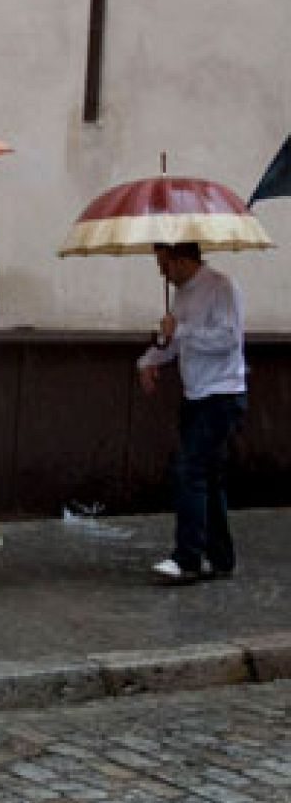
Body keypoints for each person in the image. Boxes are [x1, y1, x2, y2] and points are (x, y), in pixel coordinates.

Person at [136, 241, 247, 584]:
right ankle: (221, 556)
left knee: (189, 472)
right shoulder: (181, 294)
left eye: (164, 263)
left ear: (183, 260)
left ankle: (188, 558)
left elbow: (228, 338)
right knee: (208, 479)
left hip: (221, 394)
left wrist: (180, 330)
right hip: (195, 394)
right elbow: (174, 344)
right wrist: (149, 360)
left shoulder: (221, 287)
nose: (161, 272)